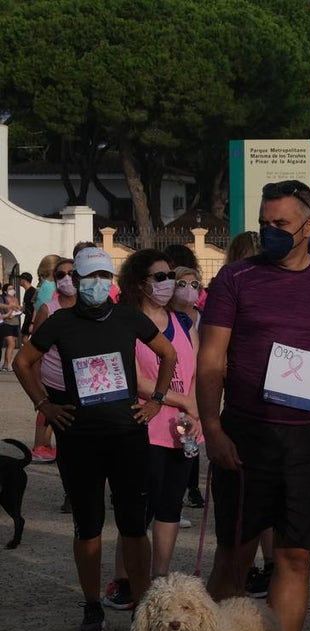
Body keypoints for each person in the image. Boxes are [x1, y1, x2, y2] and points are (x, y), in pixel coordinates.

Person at [198, 180, 310, 631]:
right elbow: (211, 359)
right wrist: (213, 429)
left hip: (309, 440)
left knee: (295, 557)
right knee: (234, 555)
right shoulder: (236, 278)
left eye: (280, 224)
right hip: (247, 434)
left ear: (309, 227)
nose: (269, 232)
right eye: (264, 223)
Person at [12, 247, 177, 631]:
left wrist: (156, 401)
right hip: (79, 438)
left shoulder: (128, 317)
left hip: (127, 436)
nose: (97, 284)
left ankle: (141, 605)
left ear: (112, 281)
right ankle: (91, 604)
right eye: (90, 278)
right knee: (87, 527)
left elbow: (167, 353)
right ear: (77, 281)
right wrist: (44, 404)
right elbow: (22, 362)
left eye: (104, 277)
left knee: (133, 526)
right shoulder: (61, 322)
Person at [102, 250, 200, 611]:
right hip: (143, 427)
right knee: (136, 511)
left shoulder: (184, 323)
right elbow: (136, 379)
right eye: (159, 277)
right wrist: (182, 400)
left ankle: (159, 579)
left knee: (170, 507)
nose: (168, 283)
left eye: (170, 276)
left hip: (182, 430)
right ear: (139, 282)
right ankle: (124, 579)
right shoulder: (126, 323)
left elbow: (196, 372)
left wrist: (195, 412)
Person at [29, 260, 77, 467]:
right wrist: (39, 389)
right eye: (60, 275)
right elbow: (33, 355)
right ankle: (41, 445)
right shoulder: (48, 309)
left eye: (71, 273)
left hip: (85, 386)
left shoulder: (89, 308)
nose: (67, 278)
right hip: (54, 385)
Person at [171, 266, 207, 516]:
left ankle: (191, 488)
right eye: (182, 284)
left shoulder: (204, 317)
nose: (188, 290)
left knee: (191, 440)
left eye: (194, 285)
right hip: (173, 389)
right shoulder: (166, 317)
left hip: (197, 387)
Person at [0, 283, 21, 371]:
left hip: (15, 323)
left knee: (12, 344)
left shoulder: (15, 299)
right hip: (7, 323)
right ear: (5, 291)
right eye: (10, 289)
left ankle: (5, 364)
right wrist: (10, 311)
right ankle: (9, 364)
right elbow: (5, 310)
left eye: (13, 288)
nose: (12, 290)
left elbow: (17, 310)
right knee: (11, 343)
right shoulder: (3, 299)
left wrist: (19, 309)